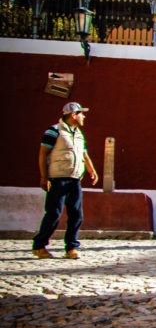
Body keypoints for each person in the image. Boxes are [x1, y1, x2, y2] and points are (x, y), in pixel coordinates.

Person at [31, 101, 98, 259]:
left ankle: (71, 247)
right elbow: (43, 154)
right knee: (54, 213)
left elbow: (83, 153)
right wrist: (44, 176)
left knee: (76, 215)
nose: (84, 116)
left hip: (74, 180)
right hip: (58, 179)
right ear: (73, 115)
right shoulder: (54, 131)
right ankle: (39, 246)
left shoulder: (78, 134)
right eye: (81, 113)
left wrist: (91, 170)